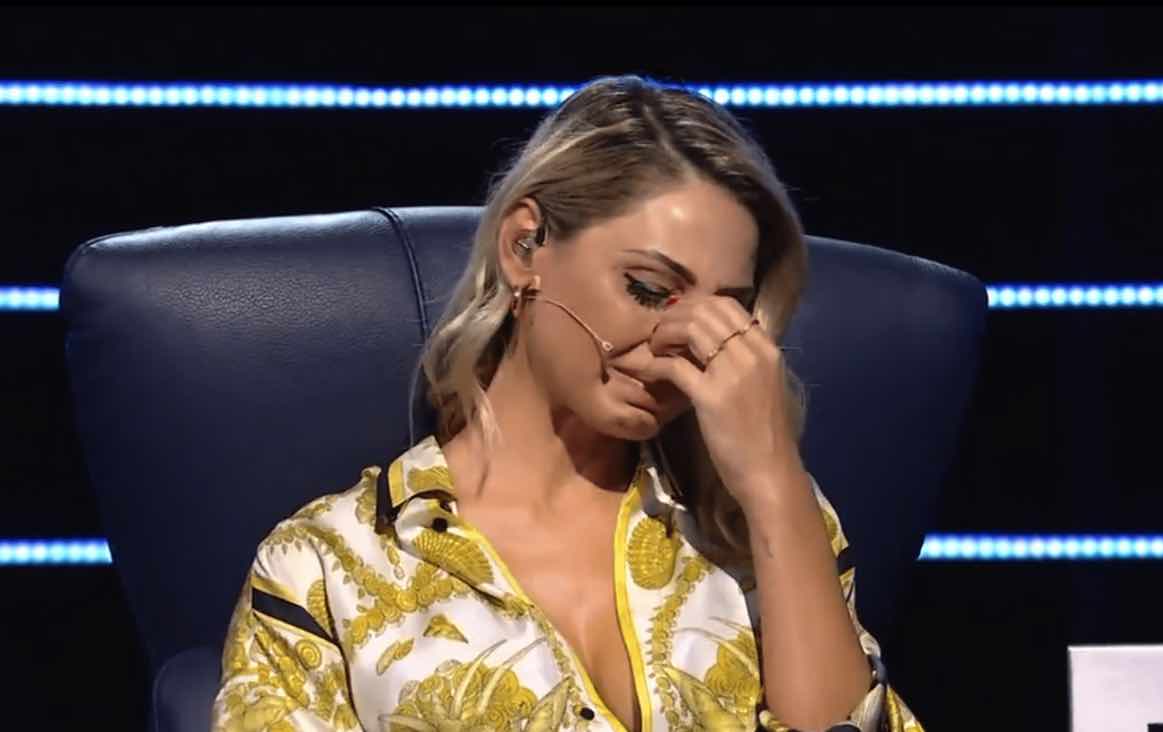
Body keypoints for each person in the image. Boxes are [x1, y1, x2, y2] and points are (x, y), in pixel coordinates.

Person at [211, 74, 923, 732]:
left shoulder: (764, 525)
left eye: (725, 317)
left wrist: (772, 486)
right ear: (525, 246)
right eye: (649, 290)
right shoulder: (326, 569)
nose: (682, 343)